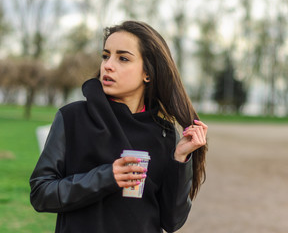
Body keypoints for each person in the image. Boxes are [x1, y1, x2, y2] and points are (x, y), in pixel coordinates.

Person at [29, 20, 208, 233]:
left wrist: (180, 160)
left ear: (147, 73)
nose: (108, 65)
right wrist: (106, 177)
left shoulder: (164, 133)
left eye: (123, 58)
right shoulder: (72, 118)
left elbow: (172, 221)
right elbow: (41, 194)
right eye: (106, 56)